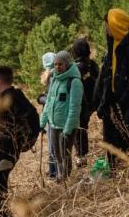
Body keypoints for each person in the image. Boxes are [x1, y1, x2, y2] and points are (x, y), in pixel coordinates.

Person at [94, 8, 129, 171]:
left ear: (115, 24)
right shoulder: (115, 42)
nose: (106, 29)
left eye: (107, 25)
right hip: (115, 100)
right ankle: (115, 169)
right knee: (112, 137)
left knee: (128, 134)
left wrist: (126, 98)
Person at [0, 66, 36, 214]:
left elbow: (5, 120)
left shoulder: (7, 102)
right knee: (1, 185)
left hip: (3, 151)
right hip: (13, 150)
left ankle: (3, 214)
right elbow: (8, 101)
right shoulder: (17, 95)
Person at [40, 51, 83, 181]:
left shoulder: (74, 82)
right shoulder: (55, 80)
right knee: (56, 155)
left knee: (65, 155)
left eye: (60, 64)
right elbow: (48, 103)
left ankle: (65, 180)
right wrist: (42, 123)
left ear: (67, 64)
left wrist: (68, 129)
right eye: (55, 64)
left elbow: (74, 108)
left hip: (67, 126)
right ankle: (60, 177)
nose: (57, 67)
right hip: (53, 124)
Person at [70, 37, 99, 165]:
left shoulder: (75, 69)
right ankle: (82, 155)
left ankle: (81, 157)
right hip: (93, 102)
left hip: (81, 103)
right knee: (83, 128)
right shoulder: (92, 65)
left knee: (79, 130)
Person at [38, 52, 57, 179]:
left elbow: (52, 99)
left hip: (52, 115)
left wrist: (41, 99)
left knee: (52, 146)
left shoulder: (51, 75)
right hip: (52, 114)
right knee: (54, 145)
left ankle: (53, 172)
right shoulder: (53, 74)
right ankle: (53, 171)